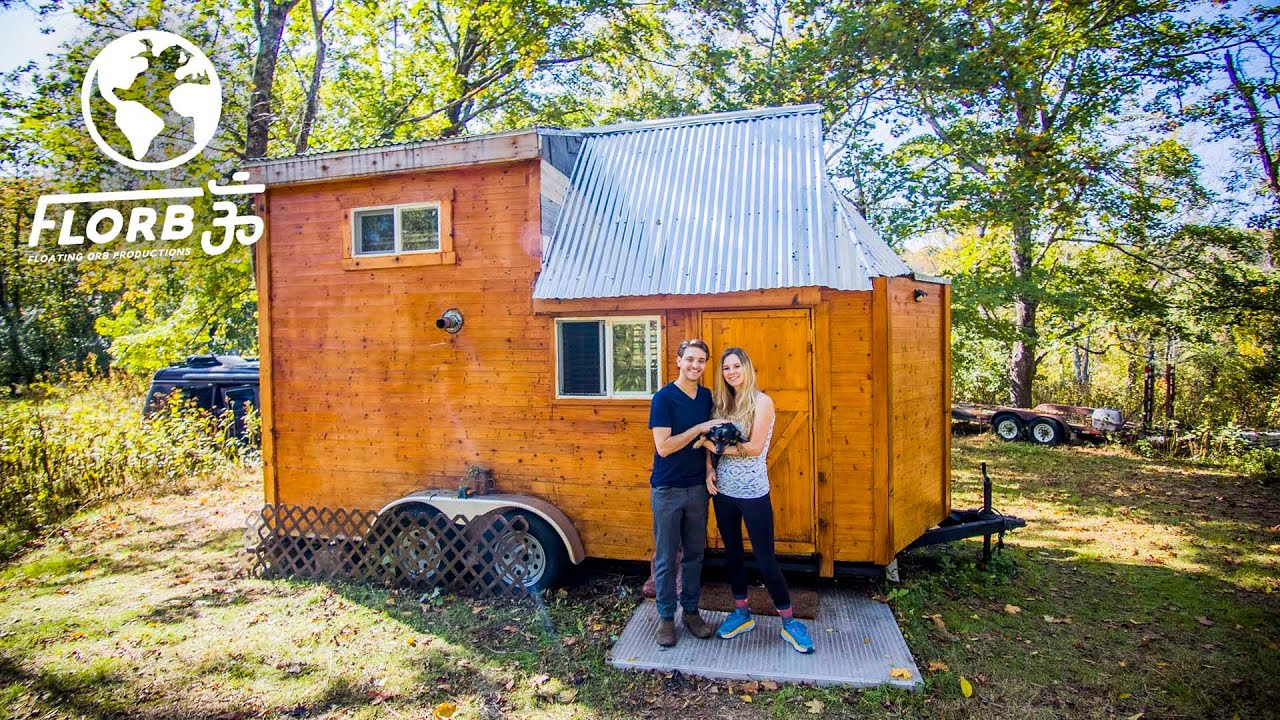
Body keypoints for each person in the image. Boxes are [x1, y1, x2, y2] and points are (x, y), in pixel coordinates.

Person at [703, 347, 815, 654]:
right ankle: (742, 613)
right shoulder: (721, 404)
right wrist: (710, 469)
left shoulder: (762, 402)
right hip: (723, 493)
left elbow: (753, 448)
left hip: (753, 491)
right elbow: (710, 449)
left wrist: (709, 444)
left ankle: (789, 622)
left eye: (736, 366)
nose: (731, 372)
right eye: (726, 368)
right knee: (733, 555)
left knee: (765, 560)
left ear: (747, 368)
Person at [648, 338, 721, 647]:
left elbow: (709, 444)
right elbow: (663, 448)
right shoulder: (664, 398)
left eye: (701, 360)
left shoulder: (706, 397)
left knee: (694, 554)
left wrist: (708, 470)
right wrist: (700, 428)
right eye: (690, 359)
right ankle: (666, 617)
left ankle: (690, 612)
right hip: (667, 489)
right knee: (666, 558)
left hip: (696, 490)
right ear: (678, 361)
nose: (695, 365)